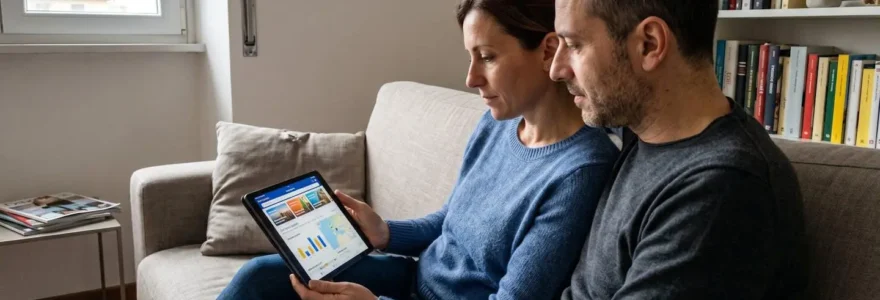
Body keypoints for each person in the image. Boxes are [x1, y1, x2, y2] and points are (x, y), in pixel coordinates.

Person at [216, 0, 619, 299]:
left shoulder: (580, 172)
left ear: (548, 51)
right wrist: (387, 233)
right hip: (412, 281)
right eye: (469, 57)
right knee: (260, 276)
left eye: (487, 57)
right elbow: (452, 219)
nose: (470, 78)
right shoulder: (499, 124)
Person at [549, 0, 807, 299]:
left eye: (574, 44)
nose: (557, 69)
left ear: (649, 44)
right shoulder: (644, 139)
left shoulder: (722, 188)